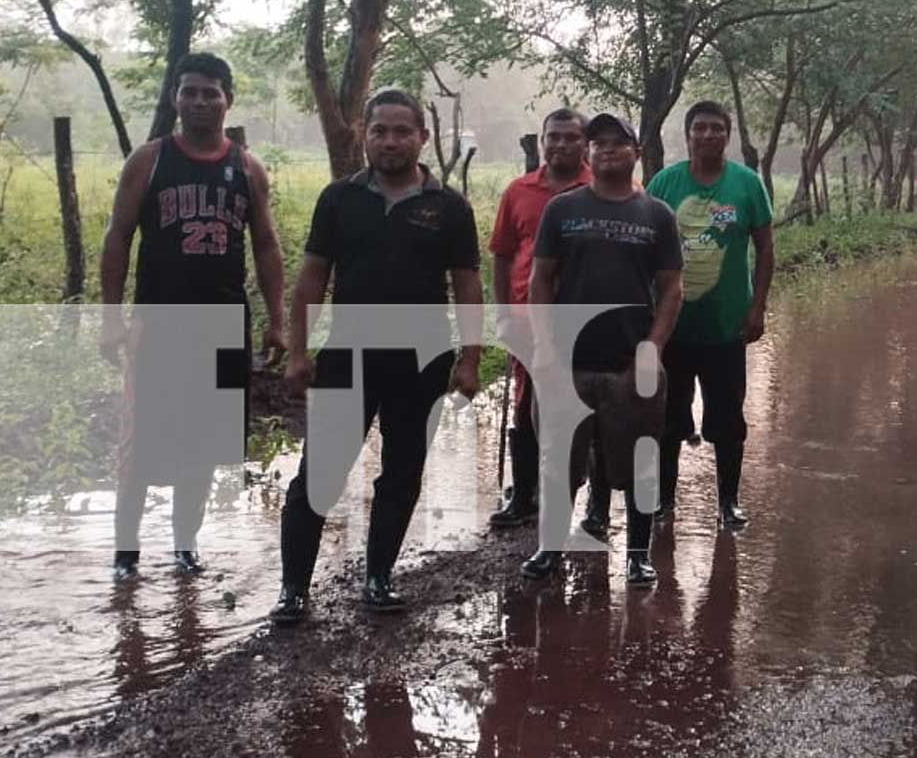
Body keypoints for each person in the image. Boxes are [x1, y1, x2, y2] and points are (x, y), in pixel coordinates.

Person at [271, 88, 482, 625]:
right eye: (380, 130)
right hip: (347, 356)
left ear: (422, 137)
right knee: (319, 472)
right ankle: (293, 590)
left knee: (402, 471)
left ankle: (378, 577)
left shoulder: (450, 207)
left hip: (421, 360)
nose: (390, 141)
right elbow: (312, 280)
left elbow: (469, 288)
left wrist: (470, 359)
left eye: (401, 131)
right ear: (364, 134)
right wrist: (298, 352)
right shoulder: (338, 199)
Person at [100, 52, 286, 580]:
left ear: (228, 99)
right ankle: (126, 550)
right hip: (158, 321)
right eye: (190, 92)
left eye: (210, 92)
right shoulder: (150, 160)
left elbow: (267, 246)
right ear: (175, 99)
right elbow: (117, 239)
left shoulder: (247, 168)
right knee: (142, 437)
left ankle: (185, 543)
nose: (200, 102)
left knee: (205, 441)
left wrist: (278, 320)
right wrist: (111, 318)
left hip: (224, 323)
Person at [521, 113, 683, 586]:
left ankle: (637, 553)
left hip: (631, 363)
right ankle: (549, 547)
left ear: (636, 150)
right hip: (568, 363)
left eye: (618, 143)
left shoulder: (656, 214)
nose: (608, 150)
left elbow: (671, 289)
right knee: (558, 462)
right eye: (599, 143)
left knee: (639, 462)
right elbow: (540, 280)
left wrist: (652, 348)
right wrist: (545, 348)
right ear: (588, 153)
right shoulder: (563, 210)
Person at [645, 100, 774, 529]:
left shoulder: (746, 185)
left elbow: (765, 248)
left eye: (717, 128)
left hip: (726, 328)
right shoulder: (665, 183)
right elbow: (647, 249)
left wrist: (757, 307)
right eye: (700, 128)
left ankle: (728, 502)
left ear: (728, 134)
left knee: (727, 419)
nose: (708, 135)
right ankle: (663, 500)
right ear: (687, 135)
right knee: (667, 417)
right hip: (674, 328)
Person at [486, 108, 591, 528]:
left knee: (583, 405)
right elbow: (502, 255)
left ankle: (581, 495)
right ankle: (524, 493)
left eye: (571, 137)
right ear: (541, 141)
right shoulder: (518, 191)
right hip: (528, 319)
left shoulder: (602, 187)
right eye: (554, 137)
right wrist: (503, 316)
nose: (561, 144)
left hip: (585, 321)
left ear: (585, 143)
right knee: (525, 404)